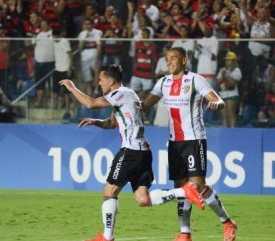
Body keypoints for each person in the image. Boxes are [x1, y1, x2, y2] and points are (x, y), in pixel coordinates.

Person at [59, 64, 204, 241]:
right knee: (143, 199)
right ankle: (184, 191)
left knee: (109, 192)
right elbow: (113, 123)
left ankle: (107, 237)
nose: (99, 83)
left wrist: (72, 87)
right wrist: (95, 122)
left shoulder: (119, 94)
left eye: (101, 79)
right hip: (143, 152)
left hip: (131, 151)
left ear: (111, 81)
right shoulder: (128, 94)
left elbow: (89, 103)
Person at [142, 47, 237, 241]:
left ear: (184, 60)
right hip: (174, 142)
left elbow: (218, 100)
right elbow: (144, 105)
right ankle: (185, 233)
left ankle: (227, 222)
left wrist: (216, 104)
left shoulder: (195, 80)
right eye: (167, 58)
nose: (169, 62)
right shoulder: (164, 82)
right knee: (181, 187)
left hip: (194, 139)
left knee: (198, 184)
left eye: (174, 58)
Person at [216, 51, 242, 128]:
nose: (227, 61)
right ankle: (224, 133)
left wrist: (225, 75)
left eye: (229, 60)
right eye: (226, 60)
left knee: (231, 115)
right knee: (224, 116)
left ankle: (233, 132)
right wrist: (223, 75)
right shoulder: (222, 69)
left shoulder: (237, 70)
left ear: (233, 61)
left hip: (232, 95)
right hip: (223, 94)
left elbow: (233, 82)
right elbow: (217, 81)